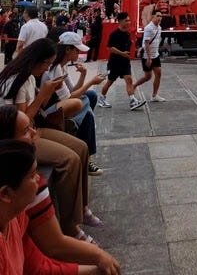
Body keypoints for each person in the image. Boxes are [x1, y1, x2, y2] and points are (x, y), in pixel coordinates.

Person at [0, 38, 102, 239]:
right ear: (36, 60)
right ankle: (69, 225)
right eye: (46, 63)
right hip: (19, 138)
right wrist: (42, 95)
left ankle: (82, 207)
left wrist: (47, 92)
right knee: (69, 160)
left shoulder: (29, 77)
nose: (47, 67)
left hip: (33, 129)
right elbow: (21, 122)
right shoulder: (16, 80)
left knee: (81, 148)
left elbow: (39, 111)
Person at [0, 108, 121, 273]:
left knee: (81, 144)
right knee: (70, 159)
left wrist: (97, 268)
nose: (39, 179)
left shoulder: (17, 219)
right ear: (6, 194)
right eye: (32, 175)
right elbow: (53, 245)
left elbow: (39, 267)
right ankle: (71, 226)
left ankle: (78, 217)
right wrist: (97, 255)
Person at [43, 32, 104, 176]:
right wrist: (91, 82)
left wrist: (83, 75)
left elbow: (73, 90)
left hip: (61, 103)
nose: (79, 53)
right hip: (50, 109)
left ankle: (78, 123)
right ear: (67, 49)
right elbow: (70, 97)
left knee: (90, 96)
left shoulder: (62, 67)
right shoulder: (55, 68)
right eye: (77, 50)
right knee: (87, 109)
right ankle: (86, 156)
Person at [97, 12, 146, 111]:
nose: (129, 22)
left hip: (125, 62)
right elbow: (110, 48)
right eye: (126, 20)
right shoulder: (114, 34)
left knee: (129, 80)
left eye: (129, 20)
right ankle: (101, 98)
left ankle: (132, 101)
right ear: (120, 21)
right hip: (115, 62)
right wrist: (121, 53)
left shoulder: (127, 33)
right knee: (110, 82)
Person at [133, 12, 165, 102]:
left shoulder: (159, 28)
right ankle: (134, 86)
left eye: (161, 16)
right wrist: (149, 58)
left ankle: (154, 95)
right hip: (147, 56)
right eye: (158, 16)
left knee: (158, 73)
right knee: (148, 77)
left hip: (156, 55)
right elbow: (146, 43)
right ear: (153, 17)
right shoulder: (148, 28)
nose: (159, 18)